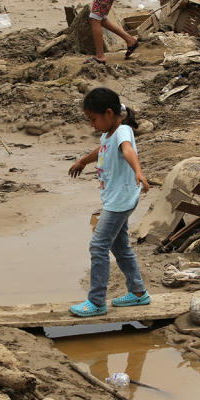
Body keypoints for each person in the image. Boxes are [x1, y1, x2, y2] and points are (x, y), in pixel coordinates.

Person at [67, 87, 151, 318]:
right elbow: (102, 148)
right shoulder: (108, 133)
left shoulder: (123, 131)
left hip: (119, 201)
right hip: (117, 198)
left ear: (109, 113)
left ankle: (96, 302)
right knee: (120, 246)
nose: (92, 125)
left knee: (98, 246)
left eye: (93, 119)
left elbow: (127, 151)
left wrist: (139, 171)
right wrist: (84, 161)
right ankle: (137, 292)